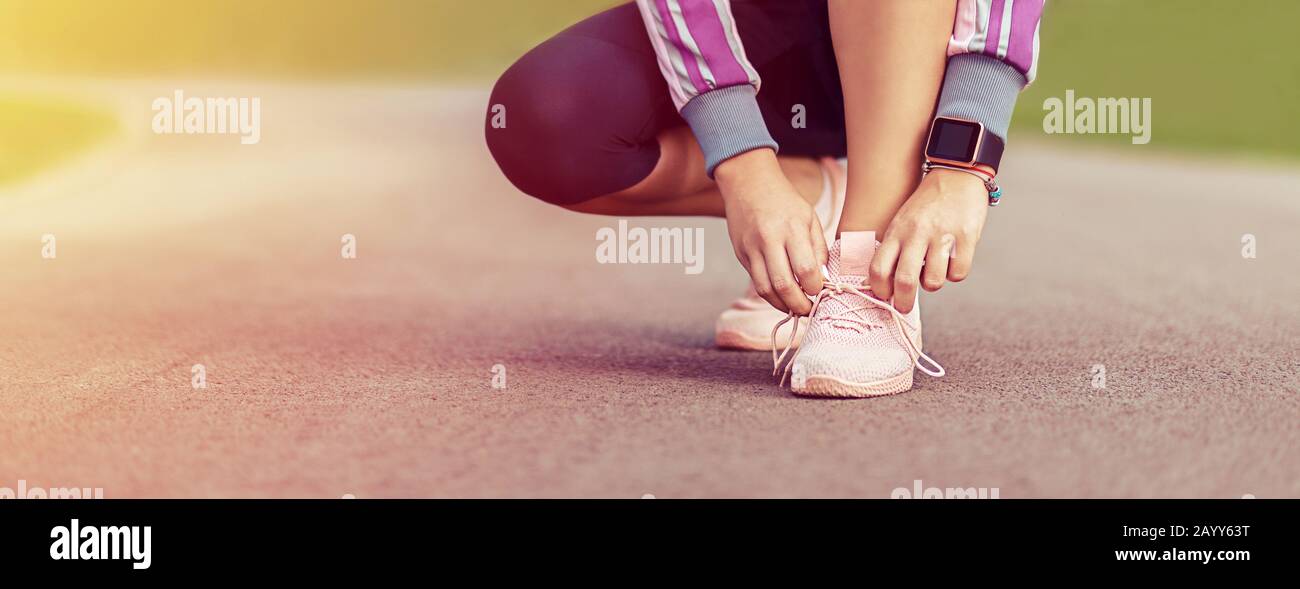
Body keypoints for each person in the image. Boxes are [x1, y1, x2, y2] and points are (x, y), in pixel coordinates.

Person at [486, 0, 1044, 397]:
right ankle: (816, 198)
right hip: (760, 36)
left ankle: (864, 259)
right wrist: (744, 166)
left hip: (917, 34)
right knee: (545, 118)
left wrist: (962, 162)